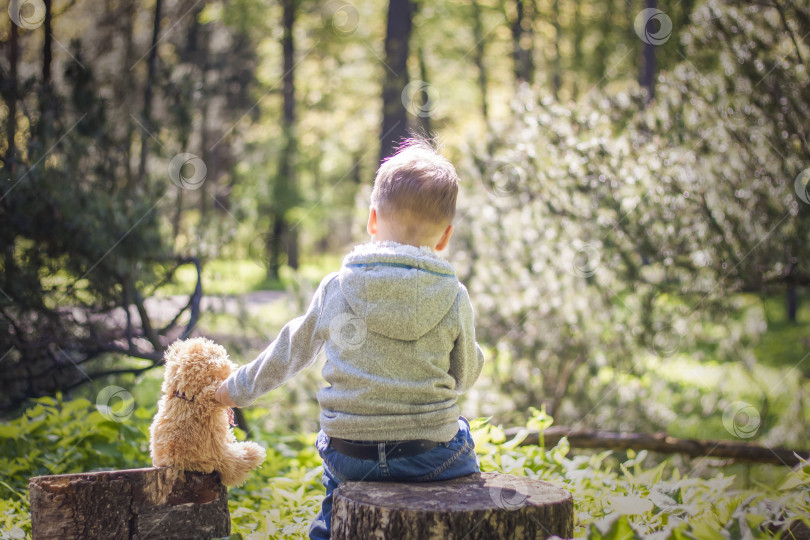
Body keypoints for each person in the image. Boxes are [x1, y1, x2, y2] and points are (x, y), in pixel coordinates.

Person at [215, 137, 486, 539]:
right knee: (463, 447)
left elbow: (290, 349)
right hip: (428, 455)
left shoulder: (337, 288)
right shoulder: (453, 296)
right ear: (445, 236)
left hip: (350, 453)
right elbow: (464, 376)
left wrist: (234, 390)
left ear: (372, 220)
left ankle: (330, 525)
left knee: (337, 499)